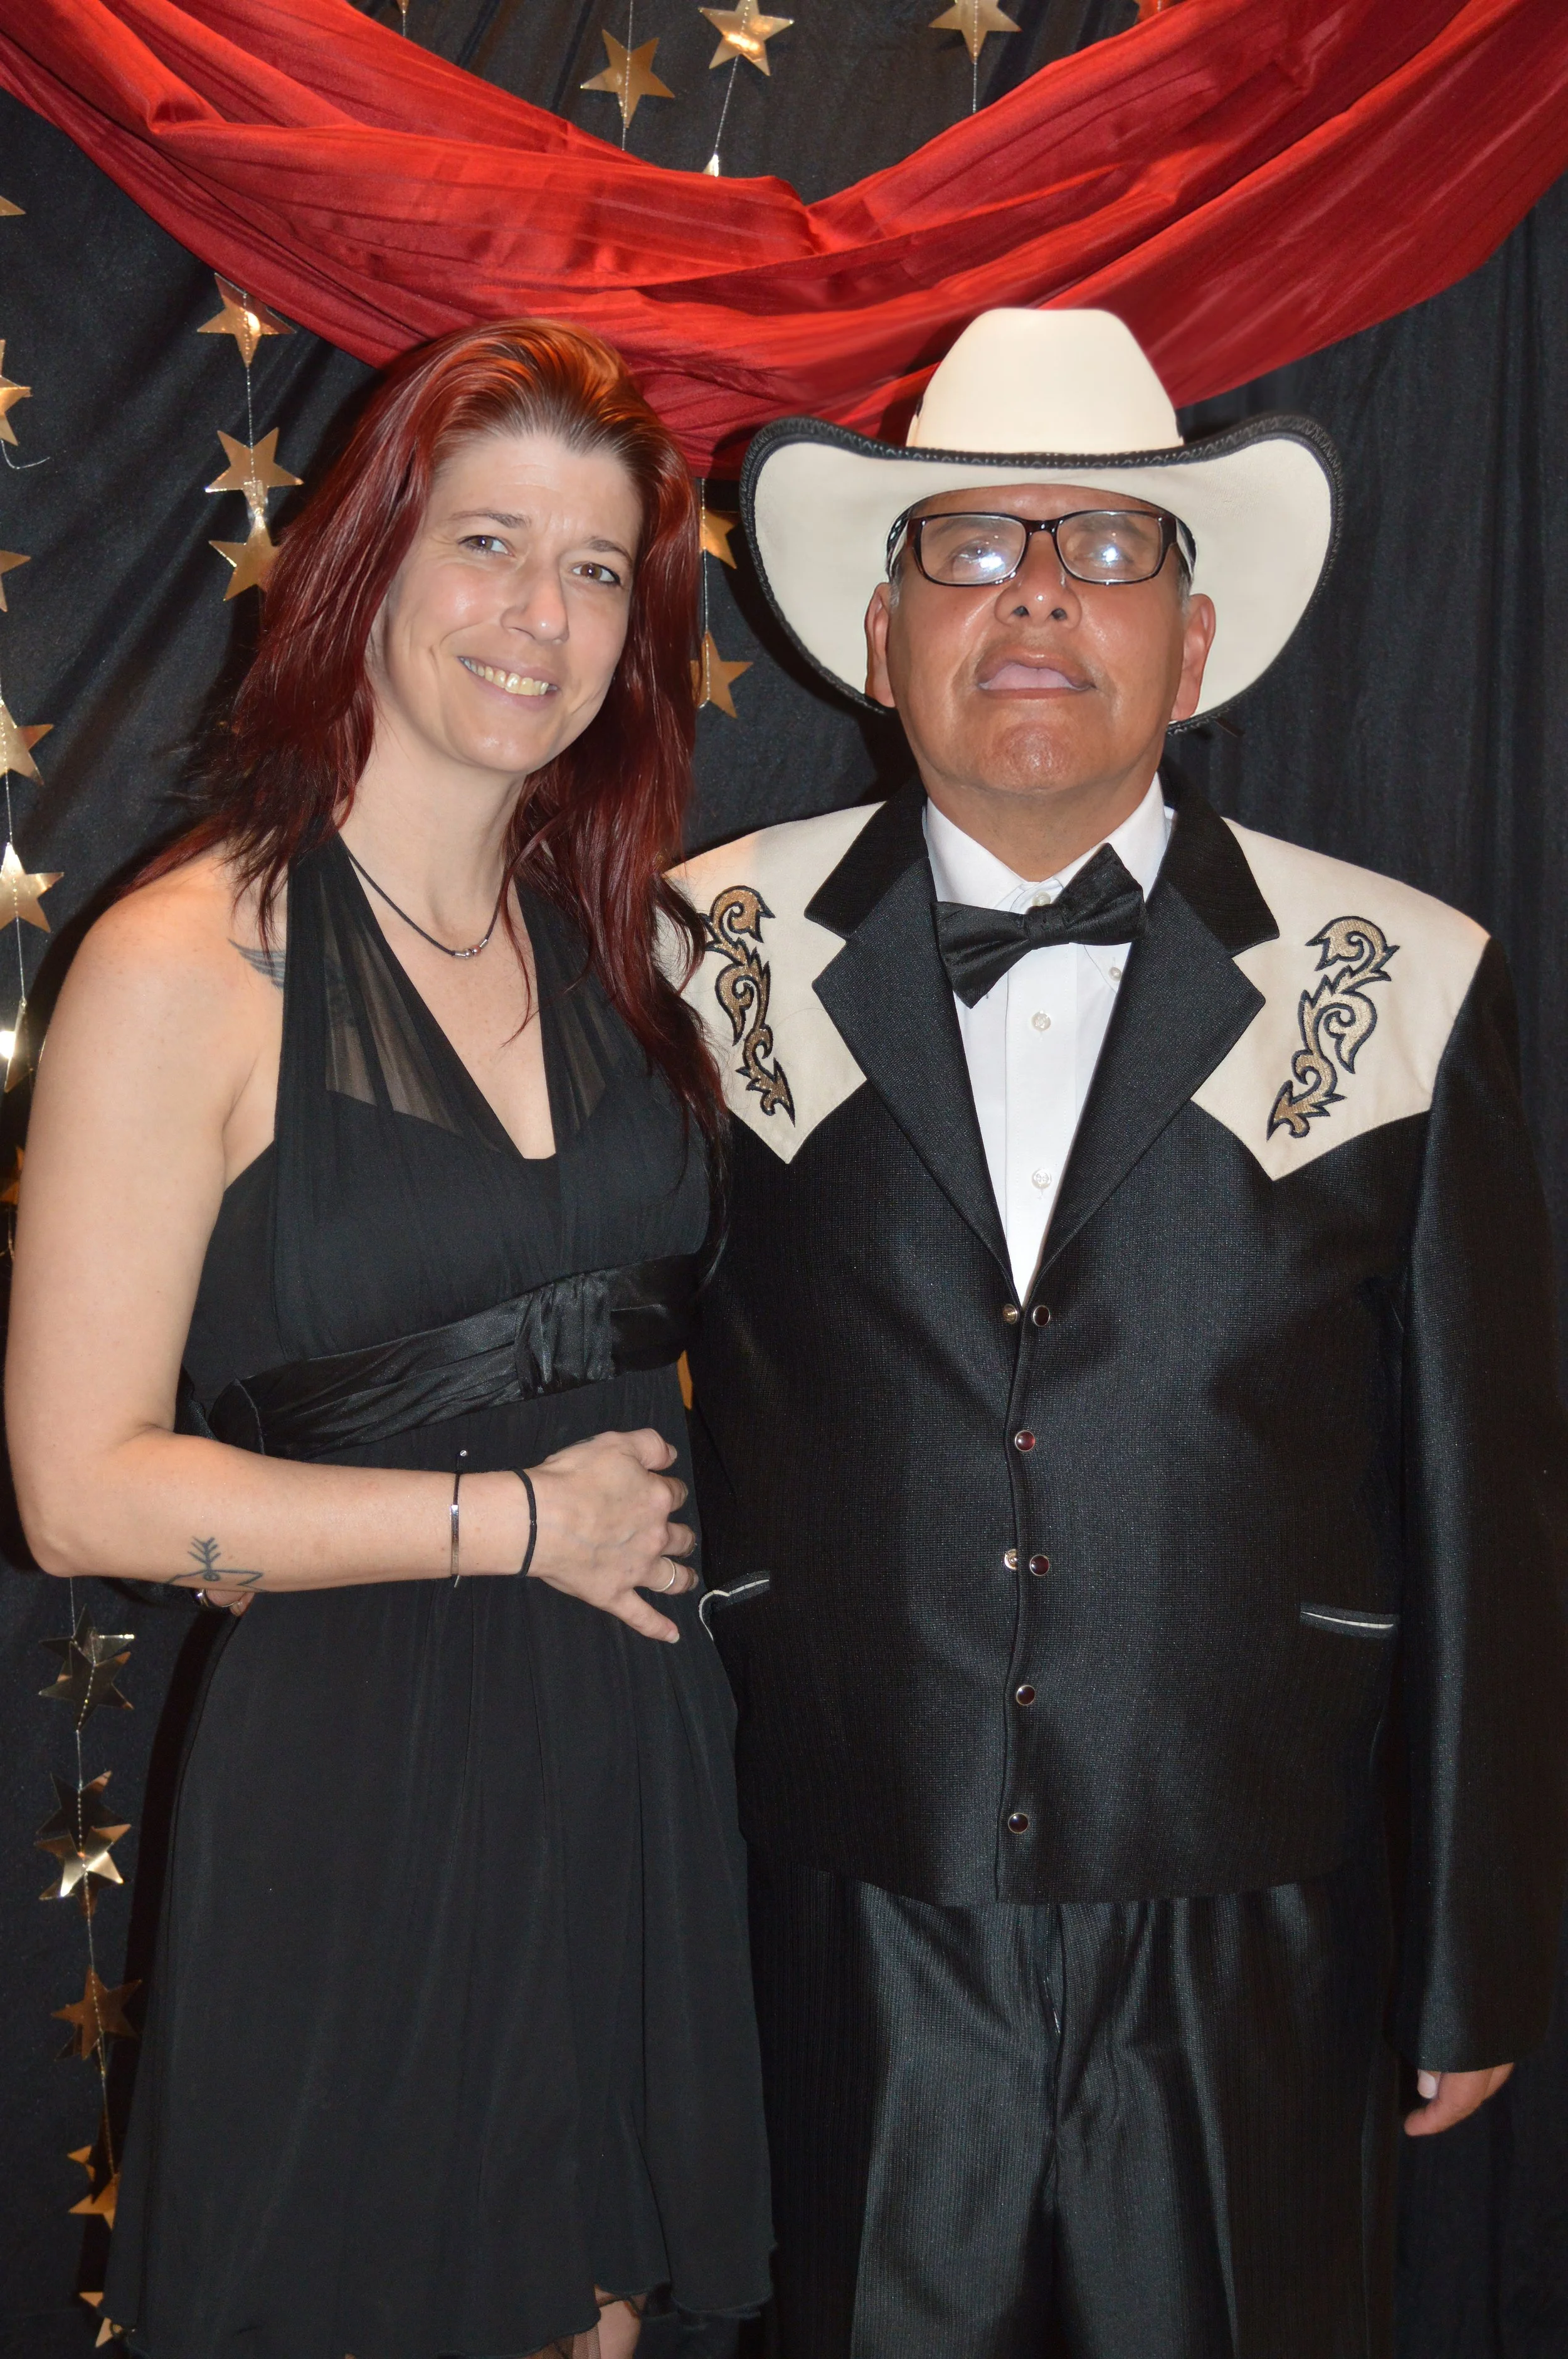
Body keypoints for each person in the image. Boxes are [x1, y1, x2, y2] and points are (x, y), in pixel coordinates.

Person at [674, 307, 1568, 2357]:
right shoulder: (702, 958)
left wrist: (1470, 1956)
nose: (1037, 603)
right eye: (973, 551)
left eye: (1106, 553)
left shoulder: (1398, 978)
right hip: (831, 1927)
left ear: (1196, 637)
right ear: (882, 633)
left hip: (1258, 1927)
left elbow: (1477, 1499)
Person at [7, 319, 771, 2359]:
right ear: (369, 562)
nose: (541, 617)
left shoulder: (638, 945)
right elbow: (80, 1486)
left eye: (597, 569)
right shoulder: (186, 960)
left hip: (630, 1768)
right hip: (357, 1792)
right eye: (488, 545)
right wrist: (516, 1526)